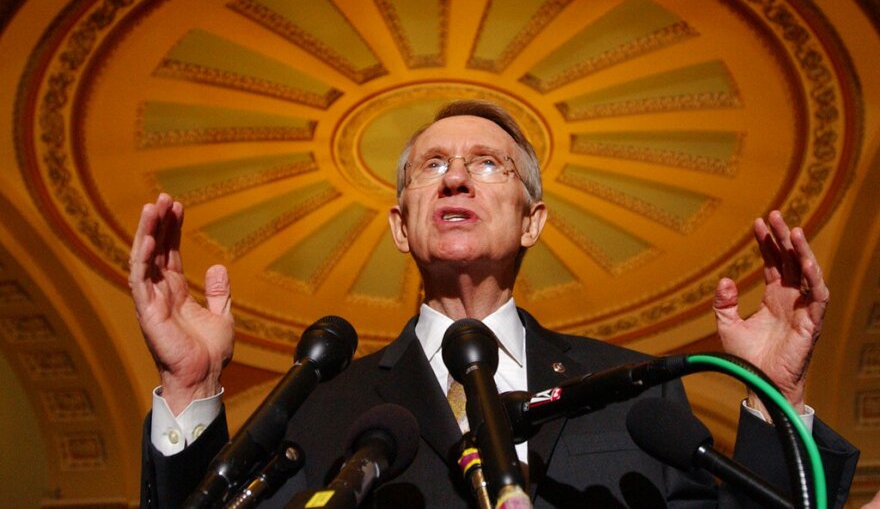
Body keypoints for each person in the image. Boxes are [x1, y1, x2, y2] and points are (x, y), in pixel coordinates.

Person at [134, 100, 858, 508]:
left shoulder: (639, 396)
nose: (455, 180)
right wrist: (190, 388)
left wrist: (777, 394)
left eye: (486, 164)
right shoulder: (323, 406)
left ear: (533, 220)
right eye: (432, 167)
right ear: (399, 223)